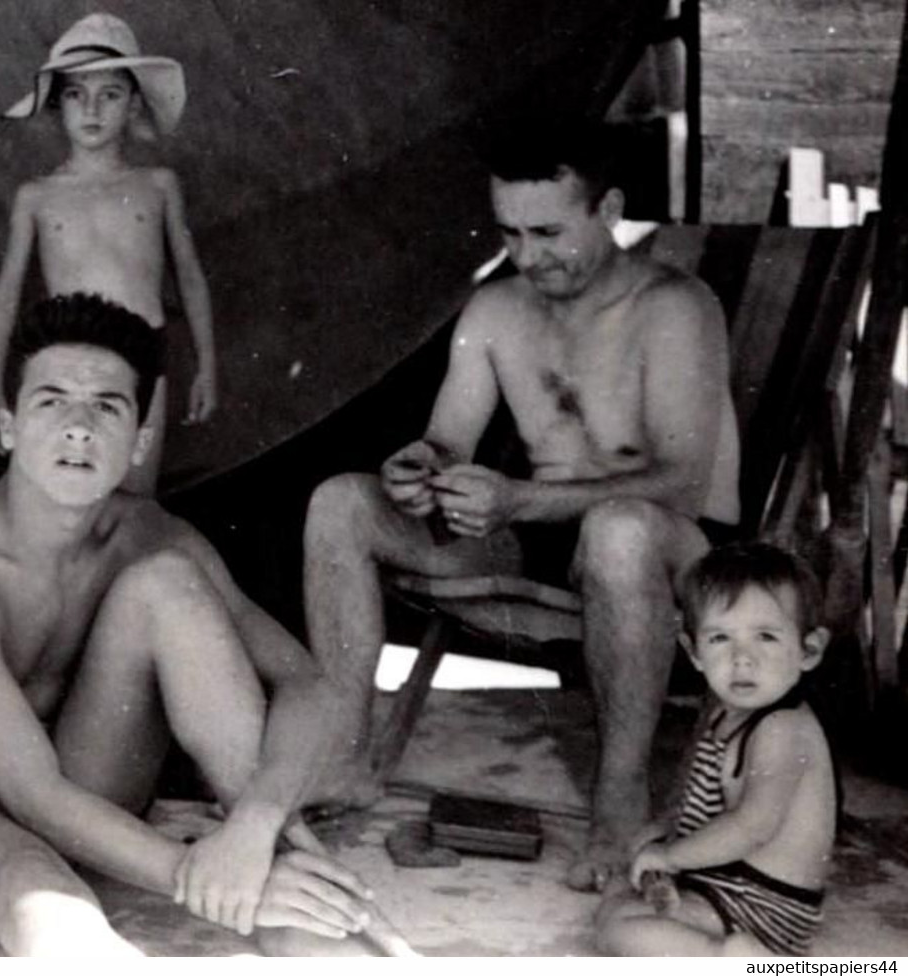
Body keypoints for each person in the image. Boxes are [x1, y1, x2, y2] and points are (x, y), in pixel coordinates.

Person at [0, 294, 397, 957]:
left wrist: (254, 826)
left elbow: (305, 682)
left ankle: (277, 870)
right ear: (6, 427)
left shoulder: (145, 532)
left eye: (106, 407)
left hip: (79, 768)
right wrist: (197, 877)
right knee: (45, 902)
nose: (78, 428)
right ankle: (249, 888)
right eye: (51, 401)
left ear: (139, 440)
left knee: (165, 584)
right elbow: (30, 791)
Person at [303, 119, 741, 891]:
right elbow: (447, 438)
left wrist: (519, 499)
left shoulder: (675, 305)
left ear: (607, 210)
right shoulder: (496, 309)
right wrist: (419, 470)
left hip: (668, 538)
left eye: (546, 231)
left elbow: (680, 479)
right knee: (340, 502)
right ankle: (344, 757)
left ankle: (617, 796)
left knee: (618, 531)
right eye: (509, 232)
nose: (527, 255)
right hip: (534, 527)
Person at [0, 12, 217, 495]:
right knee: (63, 495)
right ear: (57, 105)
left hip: (142, 357)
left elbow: (191, 277)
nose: (91, 110)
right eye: (75, 94)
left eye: (109, 94)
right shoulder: (37, 195)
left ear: (133, 104)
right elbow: (6, 296)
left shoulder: (156, 185)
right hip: (63, 361)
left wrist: (207, 366)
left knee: (132, 495)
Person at [596, 541, 834, 956]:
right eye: (721, 637)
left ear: (808, 650)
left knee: (618, 931)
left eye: (766, 637)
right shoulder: (726, 714)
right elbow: (703, 803)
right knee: (622, 886)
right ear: (694, 652)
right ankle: (708, 939)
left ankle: (731, 959)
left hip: (765, 906)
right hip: (725, 884)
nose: (742, 658)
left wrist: (671, 858)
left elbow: (750, 827)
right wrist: (662, 835)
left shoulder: (784, 729)